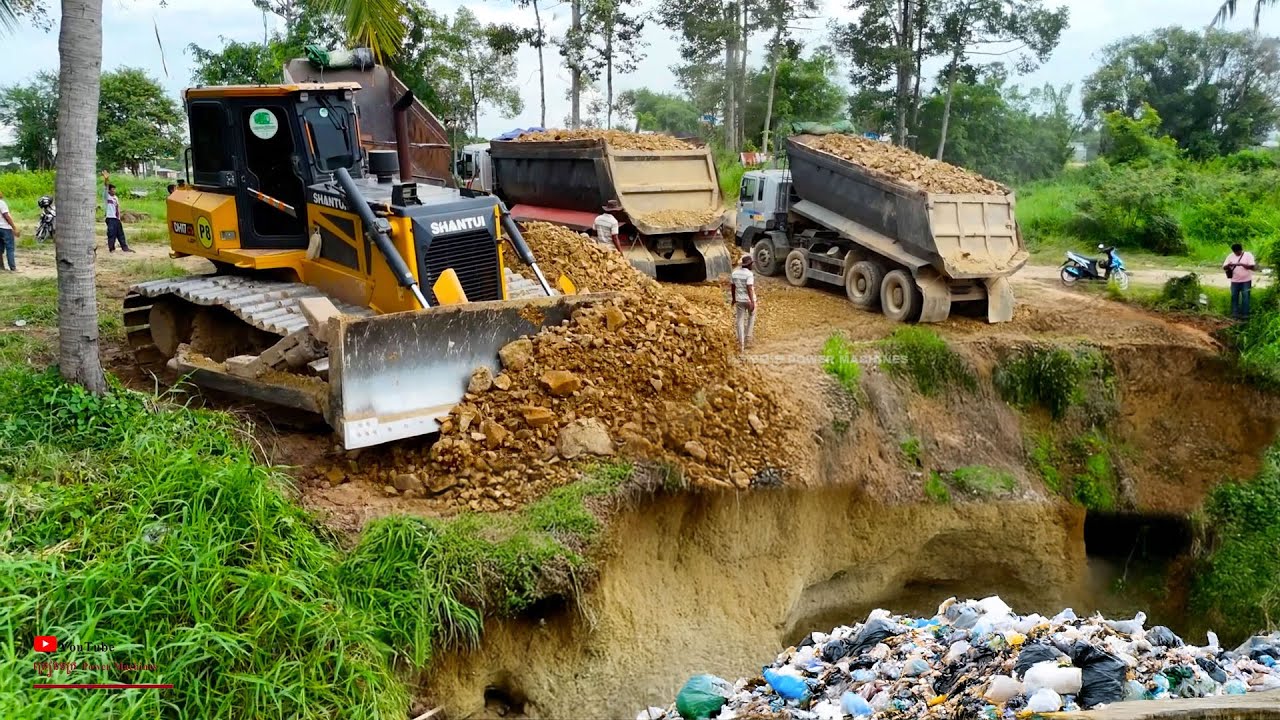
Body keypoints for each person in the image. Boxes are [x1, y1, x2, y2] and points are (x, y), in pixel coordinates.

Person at [729, 253, 757, 352]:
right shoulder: (749, 274)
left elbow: (733, 287)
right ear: (749, 265)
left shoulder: (734, 273)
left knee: (740, 321)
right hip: (749, 300)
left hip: (739, 300)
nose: (752, 265)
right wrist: (752, 301)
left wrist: (733, 299)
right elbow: (749, 288)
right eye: (751, 264)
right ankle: (748, 337)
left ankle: (741, 343)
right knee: (751, 316)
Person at [101, 171, 134, 253]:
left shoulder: (115, 198)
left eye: (115, 189)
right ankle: (111, 249)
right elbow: (106, 186)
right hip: (110, 217)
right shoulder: (106, 196)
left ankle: (125, 248)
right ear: (109, 191)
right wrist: (106, 179)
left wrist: (119, 217)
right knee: (111, 234)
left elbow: (117, 207)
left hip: (116, 218)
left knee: (120, 233)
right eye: (112, 189)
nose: (114, 191)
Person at [1223, 243, 1257, 319]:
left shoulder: (1248, 255)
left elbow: (1252, 266)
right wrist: (1228, 265)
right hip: (1234, 281)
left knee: (1246, 297)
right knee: (1234, 297)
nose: (1237, 253)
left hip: (1246, 280)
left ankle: (1245, 314)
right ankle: (1234, 314)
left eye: (1238, 252)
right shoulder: (1230, 256)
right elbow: (1224, 267)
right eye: (1235, 252)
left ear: (1241, 250)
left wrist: (1241, 264)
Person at [0, 188, 19, 271]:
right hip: (5, 228)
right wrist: (14, 227)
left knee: (0, 249)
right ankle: (13, 267)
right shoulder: (1, 203)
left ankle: (1, 267)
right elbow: (6, 215)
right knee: (10, 248)